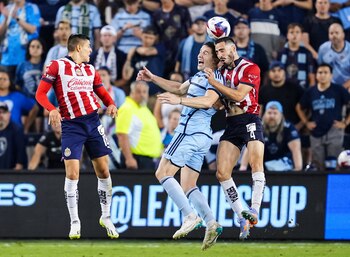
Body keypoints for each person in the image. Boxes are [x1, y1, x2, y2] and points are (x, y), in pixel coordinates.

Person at [137, 42, 224, 250]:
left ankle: (189, 215)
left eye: (205, 53)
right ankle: (211, 222)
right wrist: (154, 78)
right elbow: (178, 88)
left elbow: (207, 102)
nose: (199, 56)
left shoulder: (216, 79)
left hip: (189, 132)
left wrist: (180, 101)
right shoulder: (198, 77)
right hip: (201, 136)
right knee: (187, 185)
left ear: (215, 59)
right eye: (199, 52)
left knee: (162, 172)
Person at [35, 34, 119, 239]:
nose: (91, 50)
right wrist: (52, 109)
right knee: (72, 174)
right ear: (79, 47)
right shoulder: (57, 66)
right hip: (71, 125)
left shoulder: (91, 70)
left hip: (92, 122)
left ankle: (106, 216)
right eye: (89, 47)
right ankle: (75, 221)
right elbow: (40, 94)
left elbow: (100, 91)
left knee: (103, 170)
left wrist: (110, 104)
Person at [205, 37, 266, 239]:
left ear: (233, 48)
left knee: (256, 163)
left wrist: (214, 82)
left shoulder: (250, 68)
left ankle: (255, 209)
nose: (220, 55)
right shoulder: (221, 73)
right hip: (231, 122)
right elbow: (219, 104)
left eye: (222, 50)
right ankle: (242, 216)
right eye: (218, 52)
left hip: (249, 119)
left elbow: (240, 96)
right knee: (222, 173)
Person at [296, 63, 350, 170]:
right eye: (320, 72)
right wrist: (306, 122)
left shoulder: (338, 90)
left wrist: (345, 123)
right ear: (316, 75)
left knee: (335, 165)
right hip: (316, 132)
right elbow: (299, 107)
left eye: (326, 72)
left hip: (334, 131)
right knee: (319, 166)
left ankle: (335, 186)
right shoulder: (311, 91)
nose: (323, 75)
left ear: (331, 75)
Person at [116, 80, 162, 170]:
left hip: (147, 159)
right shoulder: (127, 108)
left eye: (144, 92)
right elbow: (122, 135)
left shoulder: (143, 108)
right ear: (131, 92)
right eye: (138, 91)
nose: (142, 95)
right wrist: (129, 159)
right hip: (136, 159)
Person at [0, 0, 41, 81]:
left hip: (24, 58)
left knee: (23, 89)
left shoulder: (32, 8)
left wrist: (17, 18)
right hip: (7, 59)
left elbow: (33, 29)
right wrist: (6, 19)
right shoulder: (7, 9)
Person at [260, 101, 302, 171]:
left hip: (285, 167)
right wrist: (243, 168)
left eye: (275, 113)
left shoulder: (289, 128)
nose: (272, 116)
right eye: (269, 113)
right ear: (264, 115)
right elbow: (249, 149)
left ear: (281, 115)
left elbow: (296, 150)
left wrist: (298, 169)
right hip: (263, 167)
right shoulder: (259, 127)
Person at [278, 23, 316, 89]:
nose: (294, 35)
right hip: (284, 88)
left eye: (297, 32)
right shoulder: (281, 52)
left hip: (302, 88)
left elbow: (311, 73)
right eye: (291, 32)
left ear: (301, 35)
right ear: (287, 35)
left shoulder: (307, 53)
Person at [318, 23, 350, 89]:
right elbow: (320, 68)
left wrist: (342, 89)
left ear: (343, 35)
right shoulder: (322, 49)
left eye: (337, 33)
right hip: (328, 86)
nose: (334, 35)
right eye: (331, 33)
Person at [175, 16, 208, 81]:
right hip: (188, 77)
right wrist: (176, 72)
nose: (200, 26)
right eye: (197, 23)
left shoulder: (212, 43)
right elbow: (178, 61)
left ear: (207, 27)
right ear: (192, 26)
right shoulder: (184, 42)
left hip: (207, 77)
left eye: (203, 24)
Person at [0, 102, 26, 170]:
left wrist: (14, 177)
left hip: (10, 175)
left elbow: (20, 159)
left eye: (3, 112)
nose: (0, 115)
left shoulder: (17, 130)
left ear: (9, 114)